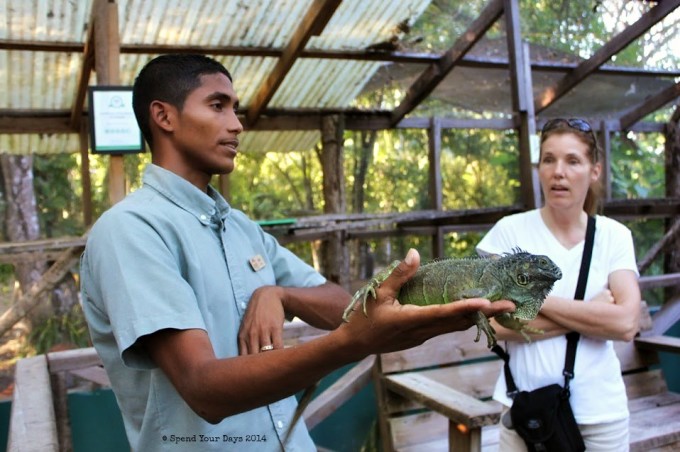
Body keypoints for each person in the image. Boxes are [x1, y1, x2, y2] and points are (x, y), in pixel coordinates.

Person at [79, 53, 515, 452]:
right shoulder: (130, 231)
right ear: (164, 117)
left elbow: (342, 306)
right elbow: (203, 390)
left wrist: (280, 294)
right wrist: (347, 345)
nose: (236, 124)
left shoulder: (240, 228)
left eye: (235, 109)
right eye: (218, 105)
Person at [476, 118, 641, 451]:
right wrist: (594, 314)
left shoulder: (614, 236)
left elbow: (625, 323)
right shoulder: (508, 233)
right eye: (548, 159)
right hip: (524, 413)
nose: (558, 171)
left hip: (601, 418)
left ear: (594, 171)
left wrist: (532, 300)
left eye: (572, 160)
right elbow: (494, 324)